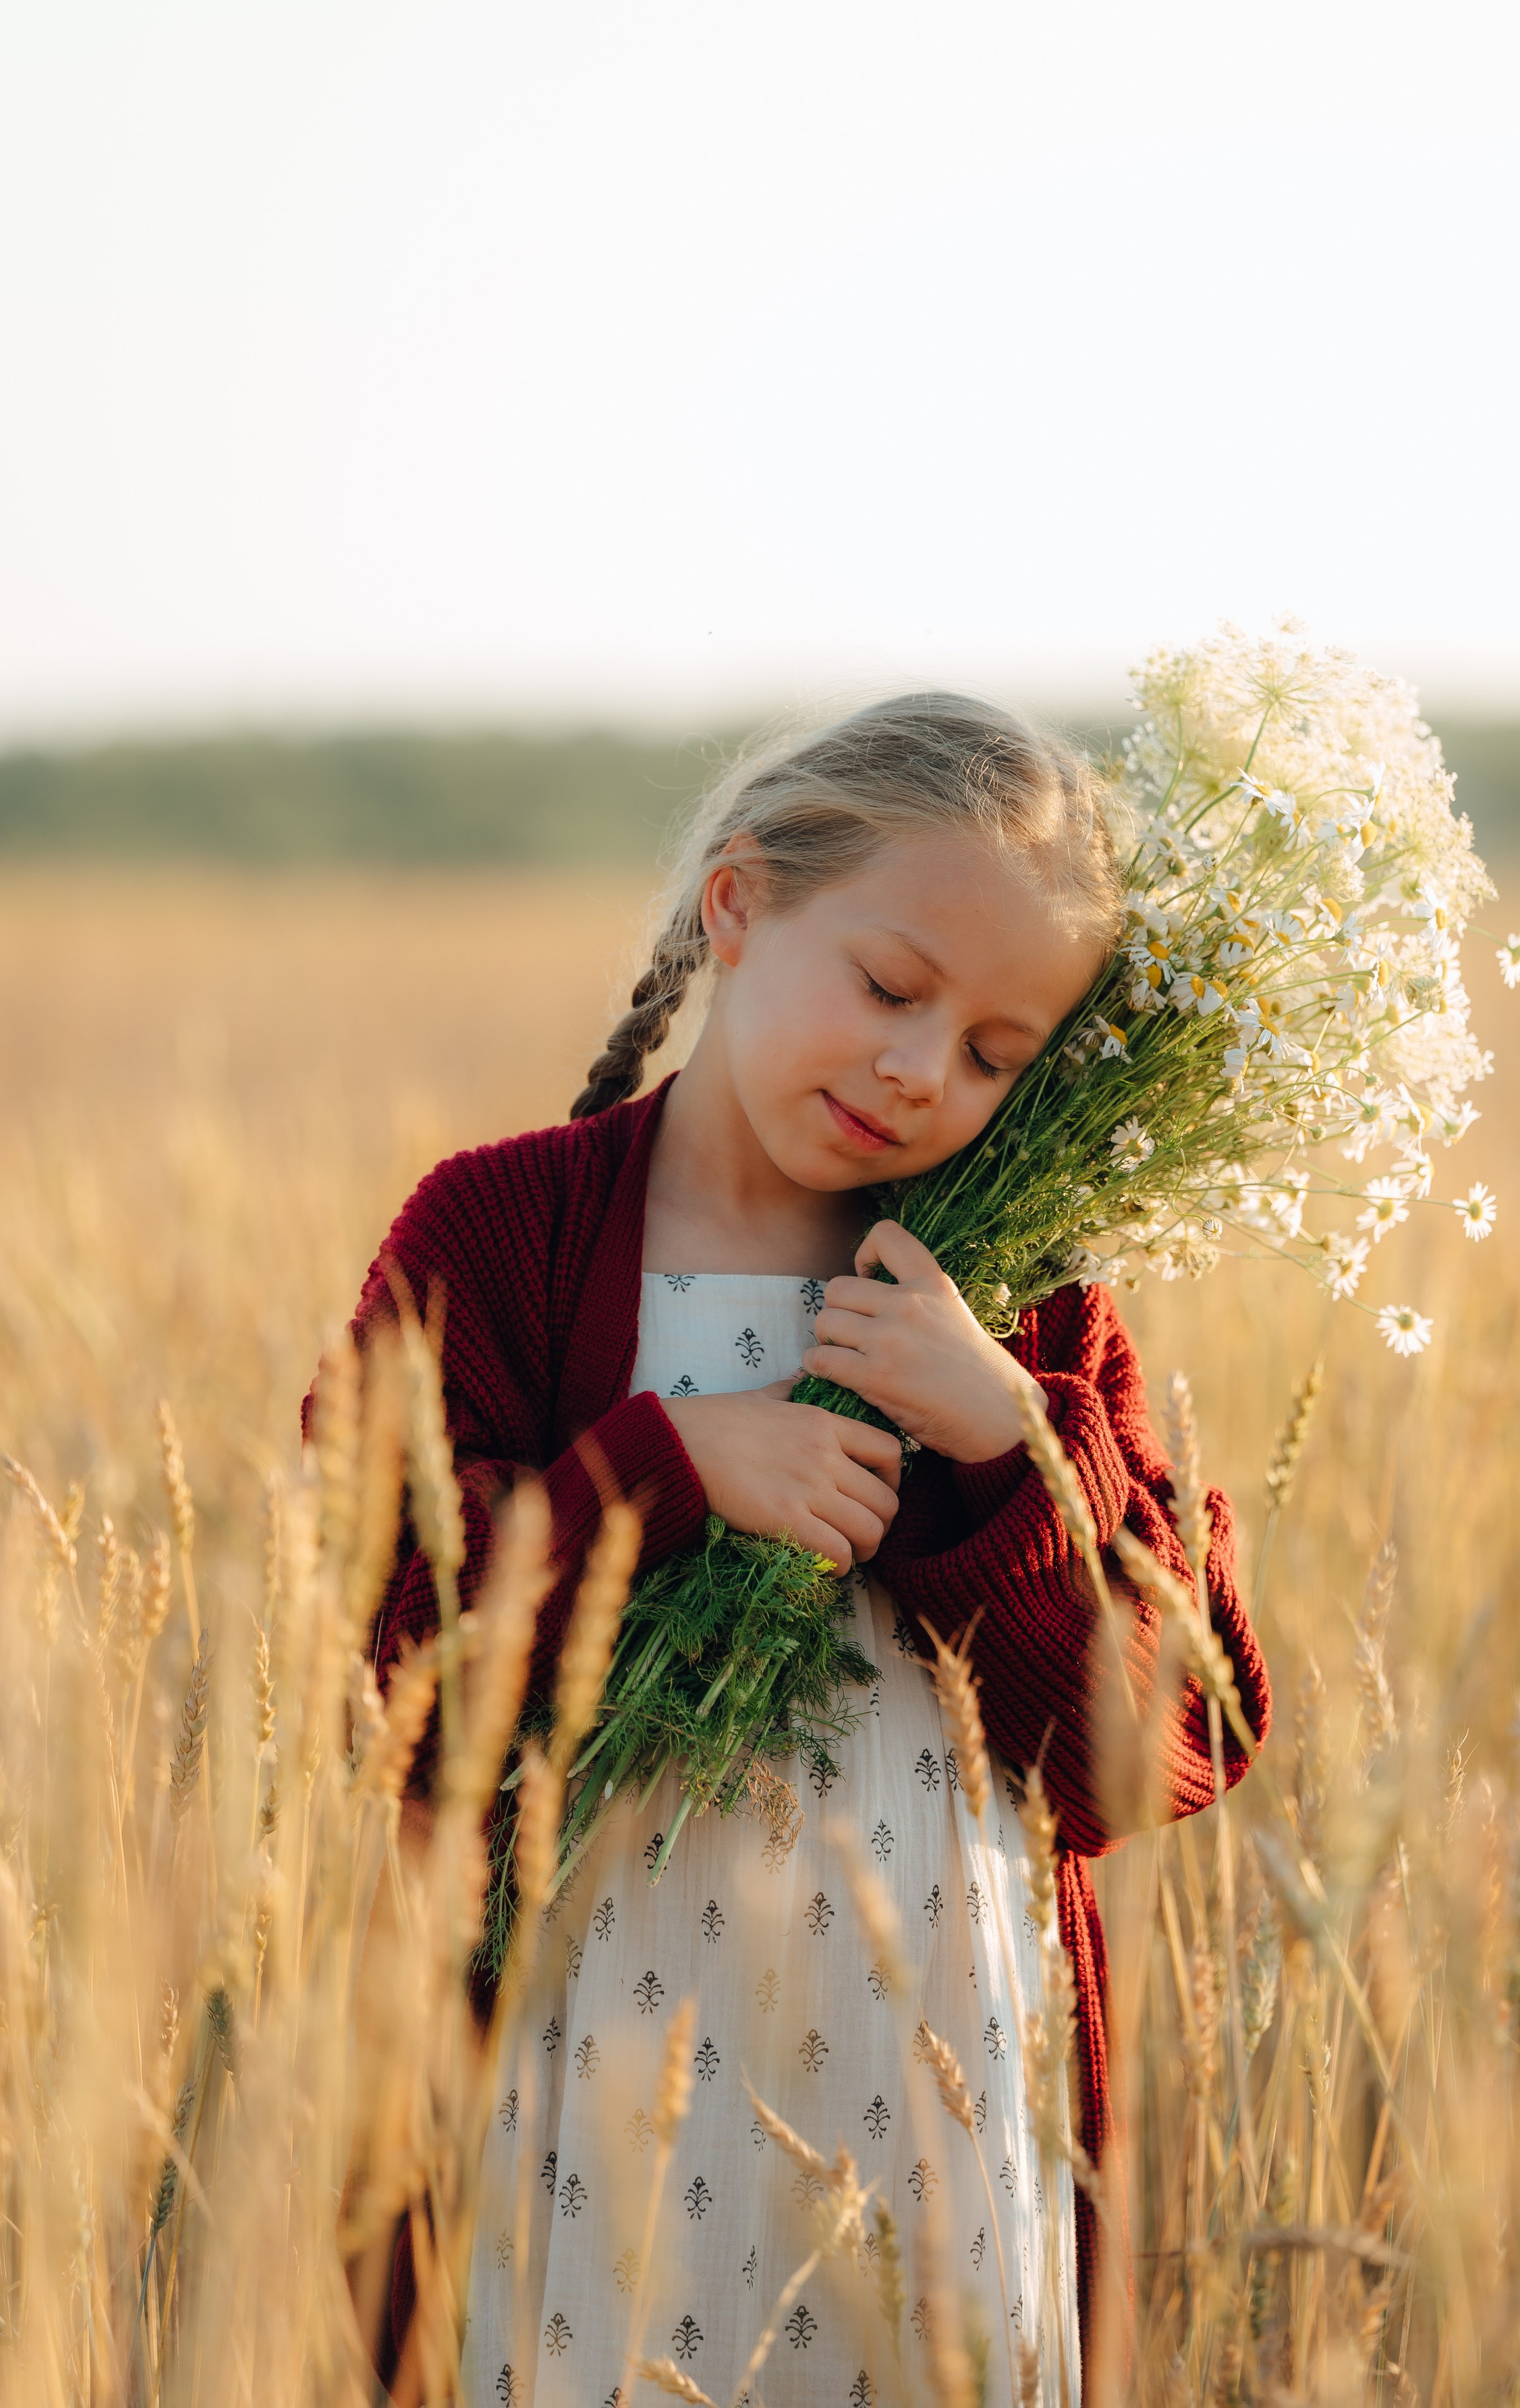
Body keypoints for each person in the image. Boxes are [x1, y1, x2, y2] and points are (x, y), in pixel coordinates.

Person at [333, 695, 1269, 2406]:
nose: (922, 1071)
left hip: (933, 2071)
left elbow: (1162, 1745)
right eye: (891, 988)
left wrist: (1007, 1449)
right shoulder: (501, 1230)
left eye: (993, 1054)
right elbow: (377, 1631)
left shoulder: (1016, 1294)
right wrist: (665, 1468)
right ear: (739, 904)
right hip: (585, 2062)